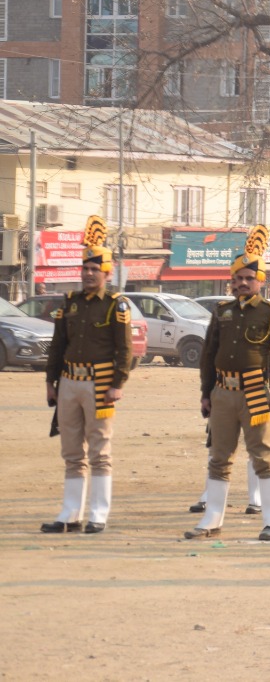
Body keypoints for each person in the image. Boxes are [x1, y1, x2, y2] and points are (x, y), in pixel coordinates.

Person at [187, 225, 270, 541]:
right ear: (231, 280)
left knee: (262, 454)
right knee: (219, 457)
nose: (244, 283)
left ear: (262, 281)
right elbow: (209, 354)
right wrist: (206, 393)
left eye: (250, 278)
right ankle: (212, 520)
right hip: (222, 392)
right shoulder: (221, 311)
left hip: (257, 393)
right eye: (239, 278)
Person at [41, 217, 134, 535]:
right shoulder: (69, 303)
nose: (89, 274)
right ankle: (70, 514)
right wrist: (50, 382)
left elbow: (125, 349)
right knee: (70, 451)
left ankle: (98, 514)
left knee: (99, 450)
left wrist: (117, 383)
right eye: (85, 269)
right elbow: (58, 345)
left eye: (95, 270)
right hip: (69, 383)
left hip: (100, 385)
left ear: (107, 273)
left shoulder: (116, 306)